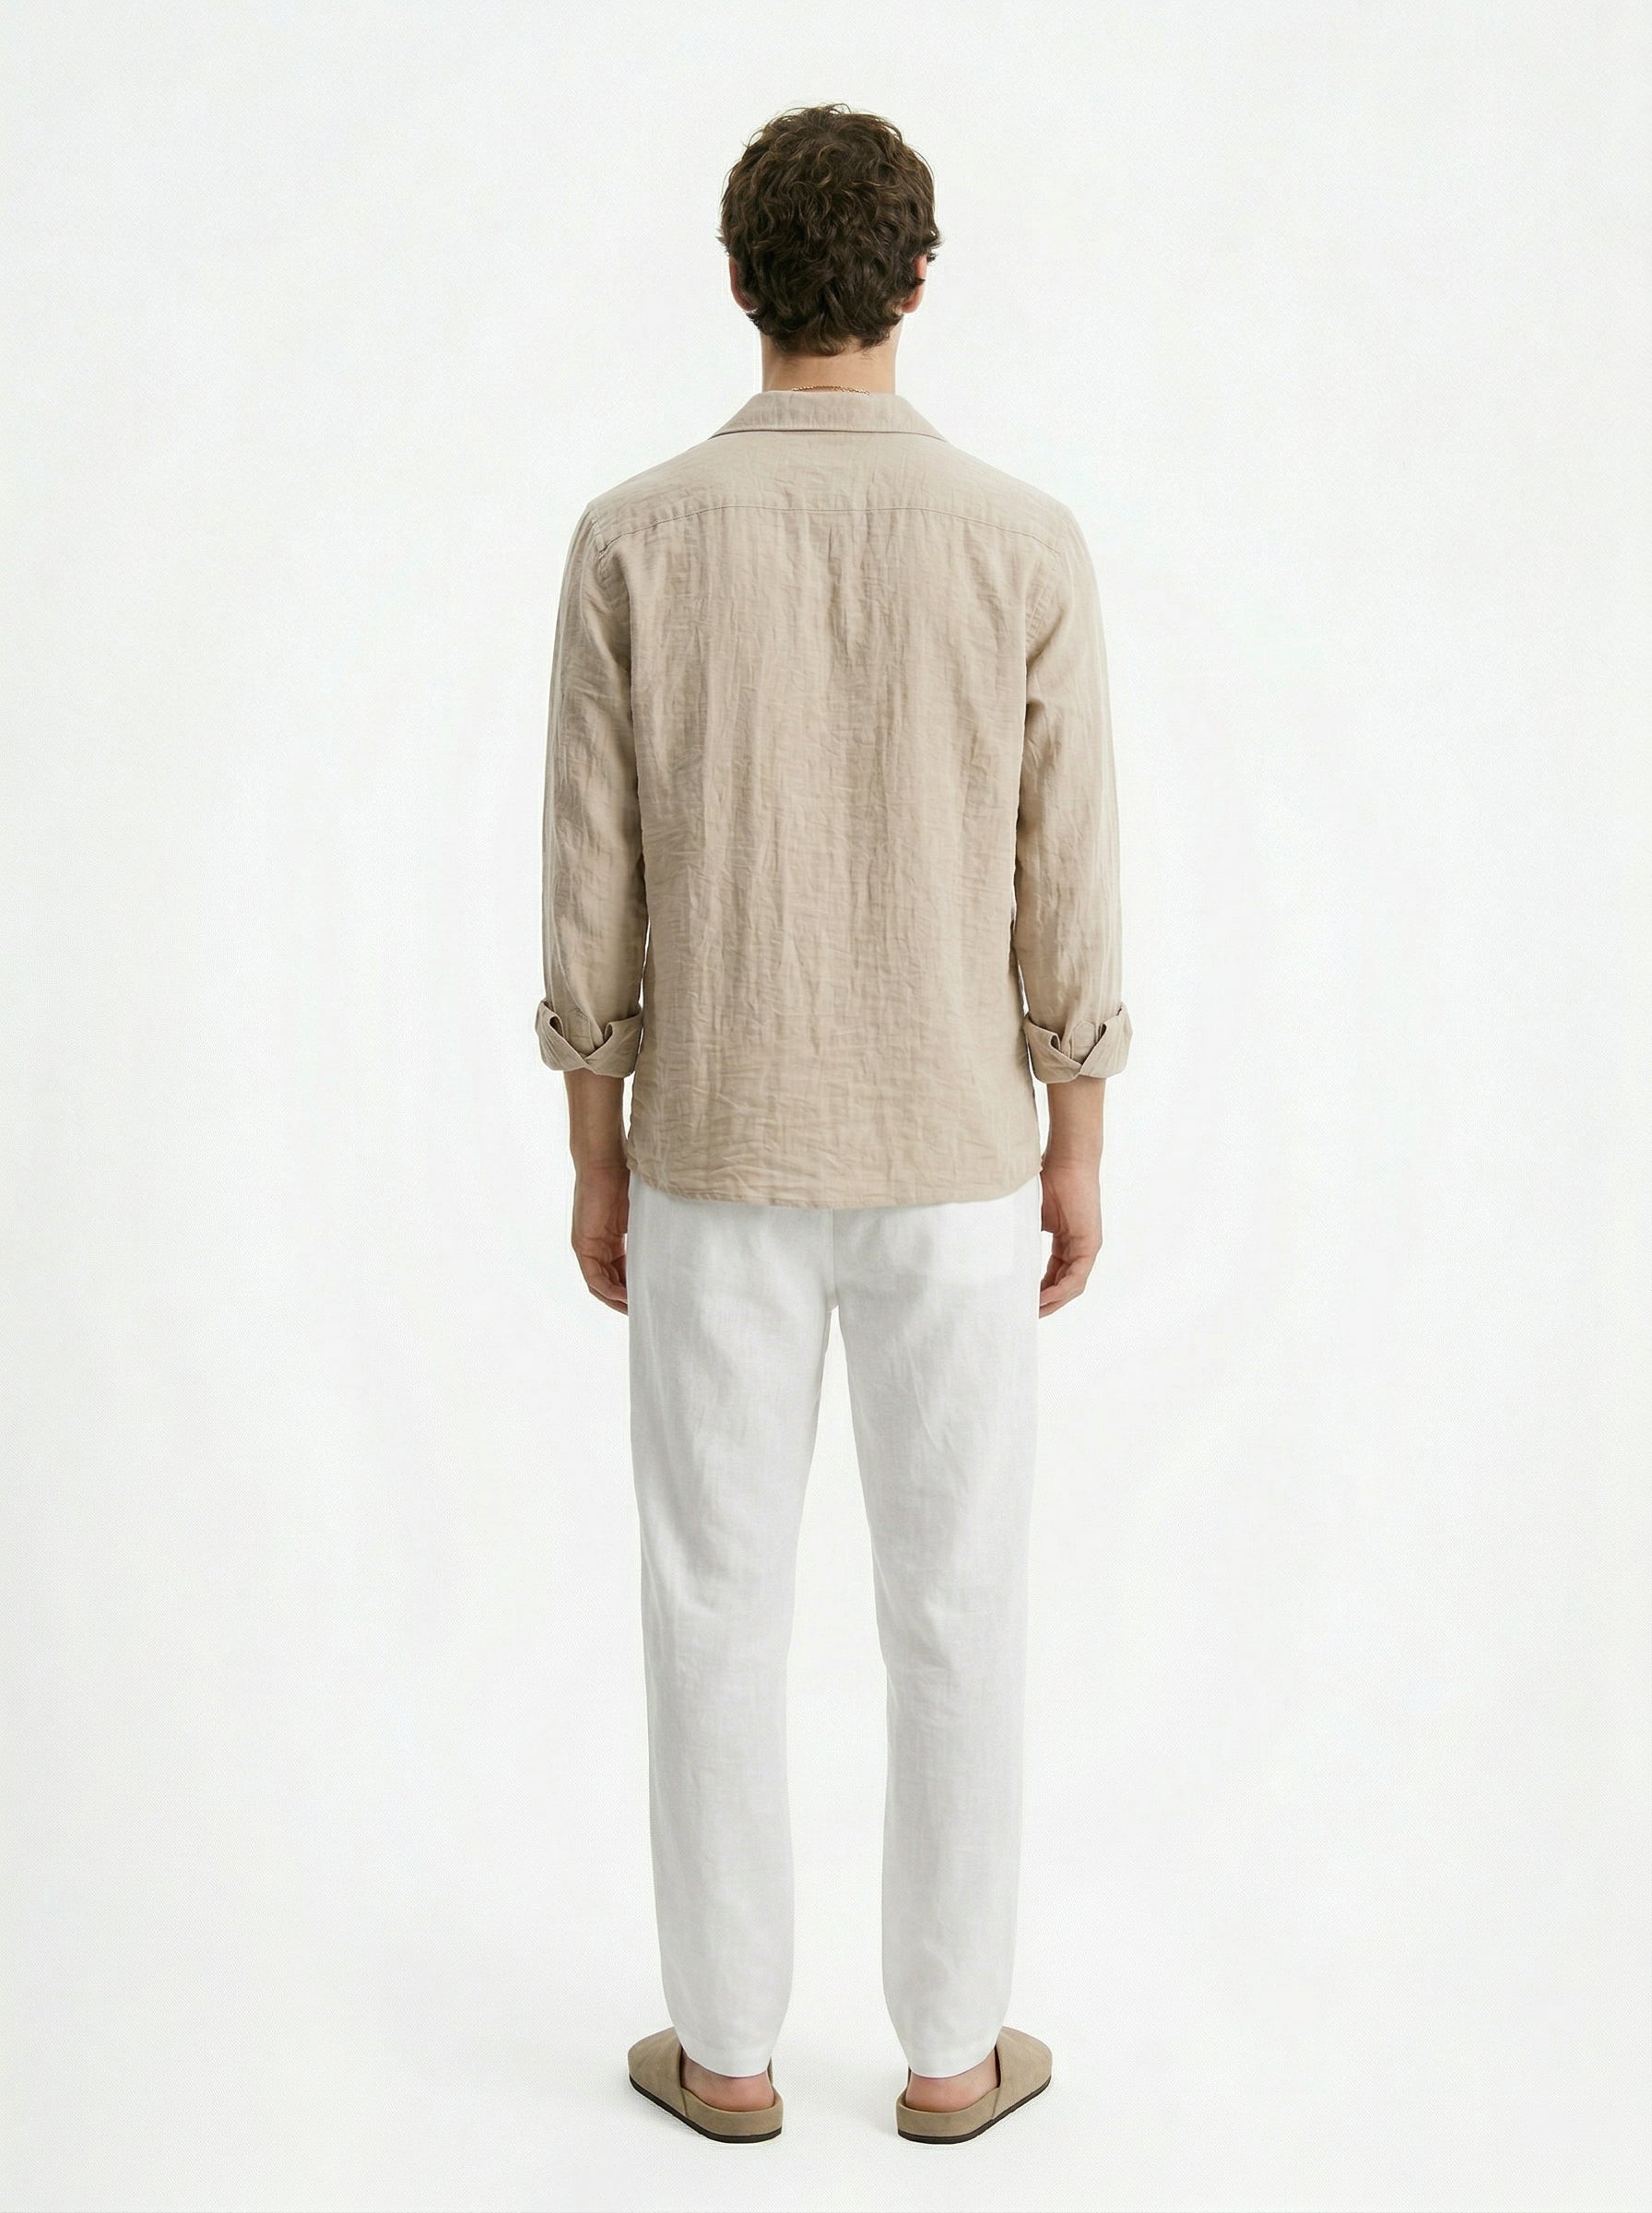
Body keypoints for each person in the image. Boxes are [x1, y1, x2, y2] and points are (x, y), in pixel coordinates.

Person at [537, 101, 1131, 2148]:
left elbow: (592, 878)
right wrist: (1076, 1133)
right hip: (957, 1156)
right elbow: (1068, 871)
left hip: (713, 1149)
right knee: (955, 1609)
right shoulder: (1023, 542)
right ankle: (954, 2057)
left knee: (712, 1606)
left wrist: (593, 1145)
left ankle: (723, 2056)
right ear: (917, 278)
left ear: (737, 279)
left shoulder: (633, 536)